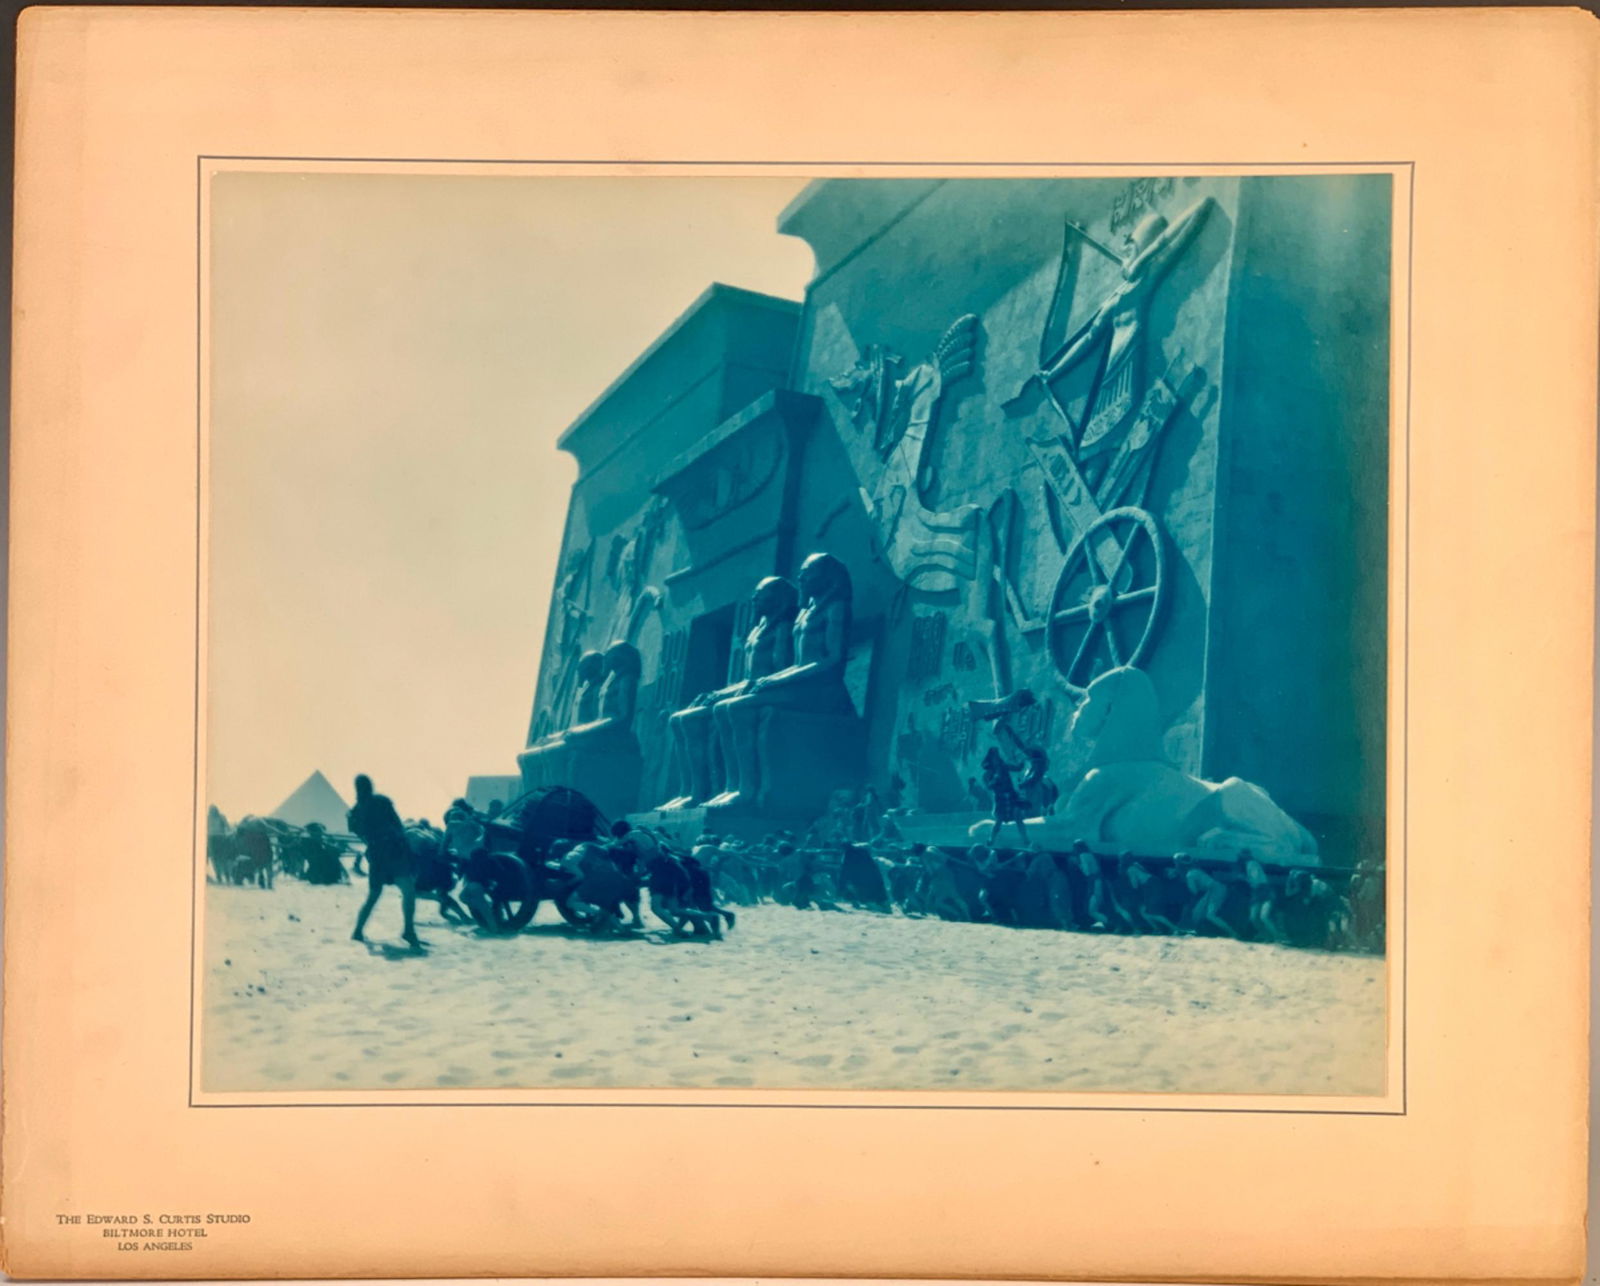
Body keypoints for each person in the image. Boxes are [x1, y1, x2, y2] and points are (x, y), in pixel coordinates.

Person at [348, 774, 421, 947]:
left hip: (376, 854)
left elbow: (361, 835)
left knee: (374, 895)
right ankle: (409, 930)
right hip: (393, 852)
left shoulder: (355, 811)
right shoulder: (381, 801)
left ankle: (358, 931)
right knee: (408, 891)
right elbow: (398, 826)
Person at [981, 746, 1030, 846]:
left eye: (997, 756)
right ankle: (991, 839)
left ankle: (1025, 840)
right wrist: (995, 779)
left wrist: (1022, 760)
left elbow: (1018, 768)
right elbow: (989, 786)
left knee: (1018, 817)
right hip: (1000, 799)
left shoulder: (1004, 767)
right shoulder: (987, 774)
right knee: (999, 820)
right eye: (994, 757)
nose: (996, 759)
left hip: (1011, 796)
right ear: (990, 759)